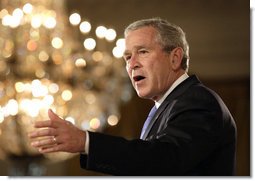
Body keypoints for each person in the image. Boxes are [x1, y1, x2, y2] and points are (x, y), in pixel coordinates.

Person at [28, 17, 237, 176]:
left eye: (143, 52)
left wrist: (86, 141)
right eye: (128, 56)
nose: (132, 64)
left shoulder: (198, 100)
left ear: (175, 58)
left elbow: (164, 160)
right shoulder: (166, 106)